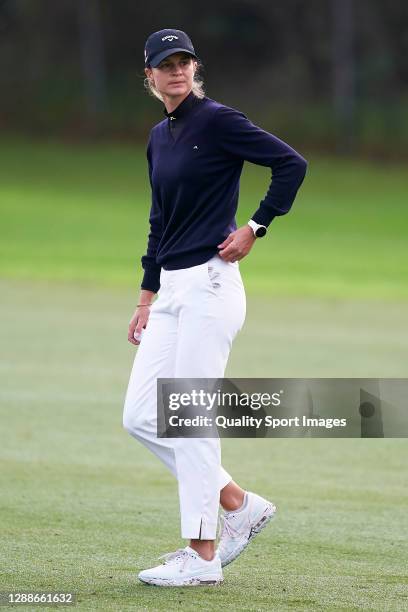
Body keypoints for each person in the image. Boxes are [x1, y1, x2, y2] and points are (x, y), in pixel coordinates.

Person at [123, 28, 307, 587]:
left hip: (211, 285)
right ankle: (237, 503)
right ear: (150, 77)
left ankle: (202, 558)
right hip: (173, 292)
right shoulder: (160, 136)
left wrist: (256, 227)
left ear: (194, 70)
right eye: (165, 65)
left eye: (185, 62)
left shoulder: (219, 120)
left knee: (190, 418)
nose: (176, 71)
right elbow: (160, 220)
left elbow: (291, 164)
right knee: (139, 416)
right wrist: (146, 295)